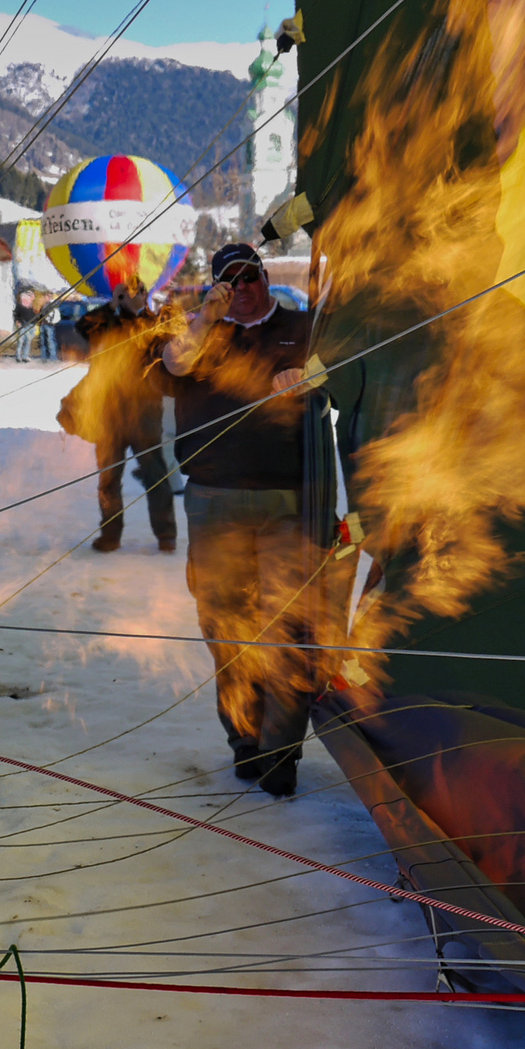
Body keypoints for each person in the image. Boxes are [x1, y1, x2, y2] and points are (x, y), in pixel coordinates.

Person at [154, 243, 357, 797]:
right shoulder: (199, 330)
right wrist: (206, 316)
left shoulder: (302, 325)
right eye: (229, 279)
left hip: (288, 503)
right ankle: (245, 738)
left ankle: (281, 750)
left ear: (264, 278)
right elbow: (175, 363)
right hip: (214, 502)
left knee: (288, 629)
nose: (242, 286)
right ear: (216, 286)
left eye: (250, 276)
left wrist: (310, 373)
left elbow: (346, 368)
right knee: (226, 627)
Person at [63, 277, 179, 554]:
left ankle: (166, 534)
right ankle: (110, 535)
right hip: (110, 414)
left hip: (145, 412)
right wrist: (111, 304)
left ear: (144, 294)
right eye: (123, 294)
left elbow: (172, 348)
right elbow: (82, 327)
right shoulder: (108, 324)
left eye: (133, 293)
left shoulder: (154, 324)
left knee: (155, 474)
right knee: (109, 479)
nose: (130, 298)